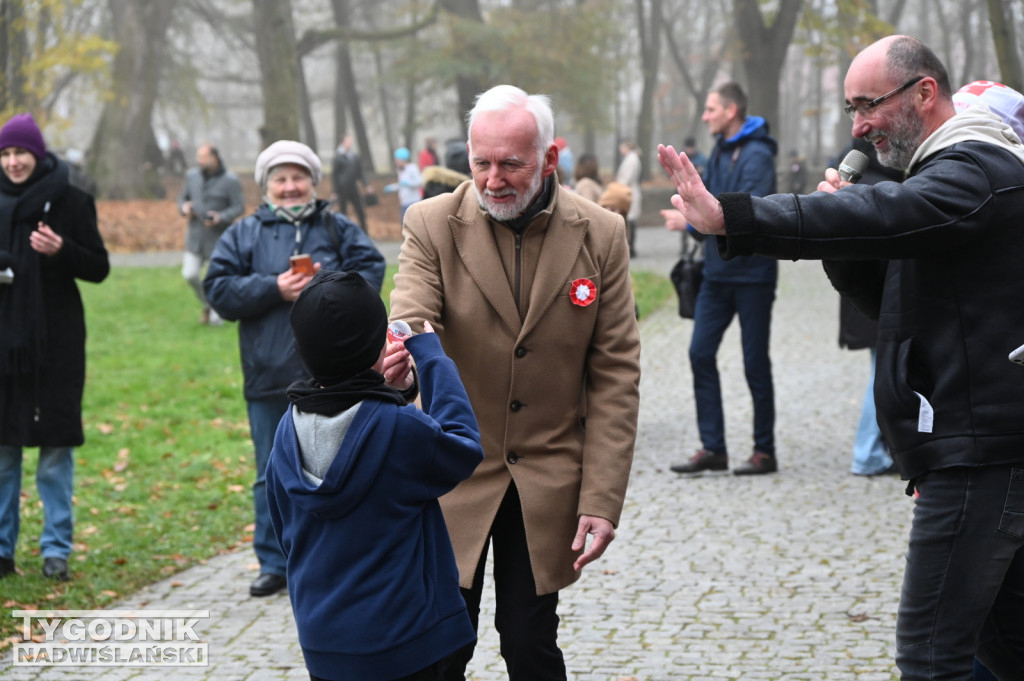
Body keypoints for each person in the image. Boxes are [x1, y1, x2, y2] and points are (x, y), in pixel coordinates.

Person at [658, 35, 1024, 680]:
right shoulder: (941, 175)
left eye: (868, 105)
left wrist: (735, 216)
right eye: (850, 108)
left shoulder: (979, 169)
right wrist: (843, 237)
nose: (857, 127)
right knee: (1004, 651)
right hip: (966, 453)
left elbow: (892, 212)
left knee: (932, 656)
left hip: (982, 456)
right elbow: (893, 307)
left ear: (924, 93)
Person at [390, 84, 641, 681]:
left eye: (511, 163)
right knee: (442, 648)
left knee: (530, 647)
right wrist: (401, 343)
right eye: (481, 163)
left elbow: (615, 373)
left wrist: (601, 499)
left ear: (550, 158)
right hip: (454, 473)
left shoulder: (600, 234)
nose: (493, 179)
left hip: (547, 477)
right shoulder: (431, 222)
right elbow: (412, 308)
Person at [266, 270, 483, 681]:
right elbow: (463, 447)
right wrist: (433, 357)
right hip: (409, 642)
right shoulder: (400, 429)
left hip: (326, 644)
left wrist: (388, 393)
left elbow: (284, 528)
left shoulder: (286, 430)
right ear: (376, 345)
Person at [203, 140, 386, 598]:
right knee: (270, 470)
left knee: (343, 466)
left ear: (312, 181)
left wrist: (326, 289)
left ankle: (345, 558)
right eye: (280, 179)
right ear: (266, 186)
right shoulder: (243, 234)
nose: (289, 187)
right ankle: (274, 560)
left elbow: (372, 270)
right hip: (268, 374)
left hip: (338, 377)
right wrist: (273, 288)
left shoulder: (336, 226)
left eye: (297, 177)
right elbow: (217, 288)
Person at [0, 113, 109, 582]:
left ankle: (55, 549)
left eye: (20, 152)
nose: (13, 161)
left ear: (38, 153)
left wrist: (62, 249)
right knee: (4, 451)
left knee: (55, 450)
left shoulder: (71, 199)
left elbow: (99, 267)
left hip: (58, 343)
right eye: (5, 153)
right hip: (5, 344)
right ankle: (2, 551)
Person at [665, 81, 780, 476]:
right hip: (716, 276)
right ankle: (714, 448)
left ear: (731, 111)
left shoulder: (759, 155)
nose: (705, 115)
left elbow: (751, 211)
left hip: (753, 276)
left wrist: (704, 219)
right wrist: (688, 220)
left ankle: (764, 451)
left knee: (754, 364)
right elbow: (706, 212)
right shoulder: (718, 153)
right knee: (699, 353)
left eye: (711, 108)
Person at [824, 137, 902, 477]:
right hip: (879, 292)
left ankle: (873, 449)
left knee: (881, 370)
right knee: (880, 374)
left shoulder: (856, 180)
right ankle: (868, 451)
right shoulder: (885, 189)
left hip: (864, 295)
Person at [177, 143, 245, 326]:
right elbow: (182, 198)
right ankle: (208, 305)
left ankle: (217, 315)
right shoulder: (191, 176)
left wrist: (220, 217)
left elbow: (239, 206)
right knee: (189, 274)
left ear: (214, 158)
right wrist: (185, 208)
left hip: (218, 239)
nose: (199, 161)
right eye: (198, 157)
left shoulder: (230, 180)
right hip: (195, 238)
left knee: (213, 279)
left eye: (203, 157)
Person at [331, 134, 371, 232]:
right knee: (343, 211)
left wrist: (366, 185)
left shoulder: (355, 157)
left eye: (351, 141)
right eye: (348, 141)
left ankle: (364, 231)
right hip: (342, 189)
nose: (350, 143)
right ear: (343, 142)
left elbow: (360, 173)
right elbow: (335, 175)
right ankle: (342, 232)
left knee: (360, 210)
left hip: (353, 187)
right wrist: (335, 191)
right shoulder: (338, 157)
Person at [614, 139, 642, 256]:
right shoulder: (632, 158)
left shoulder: (631, 159)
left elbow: (626, 178)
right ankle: (631, 247)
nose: (621, 149)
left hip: (629, 192)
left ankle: (631, 248)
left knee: (630, 220)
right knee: (630, 220)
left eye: (622, 147)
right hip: (629, 191)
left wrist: (617, 187)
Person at [385, 147, 422, 221]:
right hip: (404, 202)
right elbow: (401, 185)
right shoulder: (400, 170)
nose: (396, 162)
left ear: (403, 160)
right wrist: (391, 187)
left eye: (397, 160)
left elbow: (420, 181)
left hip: (414, 201)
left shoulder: (412, 168)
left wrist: (409, 183)